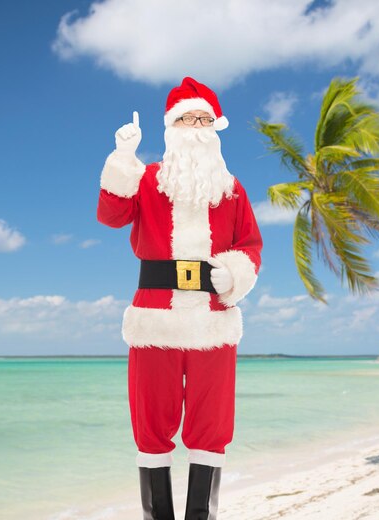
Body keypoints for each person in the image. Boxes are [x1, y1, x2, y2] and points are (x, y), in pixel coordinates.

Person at [96, 77, 263, 520]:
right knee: (151, 428)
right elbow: (110, 216)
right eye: (187, 118)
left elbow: (250, 246)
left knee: (212, 428)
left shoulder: (232, 189)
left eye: (204, 119)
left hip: (213, 318)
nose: (196, 126)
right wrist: (122, 158)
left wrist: (233, 274)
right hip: (155, 320)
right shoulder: (147, 180)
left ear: (215, 128)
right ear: (171, 127)